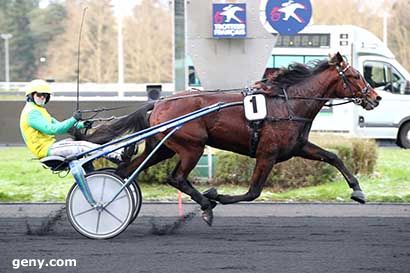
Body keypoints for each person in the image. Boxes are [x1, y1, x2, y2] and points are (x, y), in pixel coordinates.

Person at [19, 79, 121, 162]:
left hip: (50, 147)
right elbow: (53, 129)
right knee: (82, 146)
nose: (42, 98)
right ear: (30, 95)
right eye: (39, 95)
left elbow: (62, 126)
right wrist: (73, 119)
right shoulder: (32, 113)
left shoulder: (39, 110)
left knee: (81, 143)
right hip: (46, 150)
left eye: (45, 95)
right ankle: (119, 154)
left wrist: (81, 124)